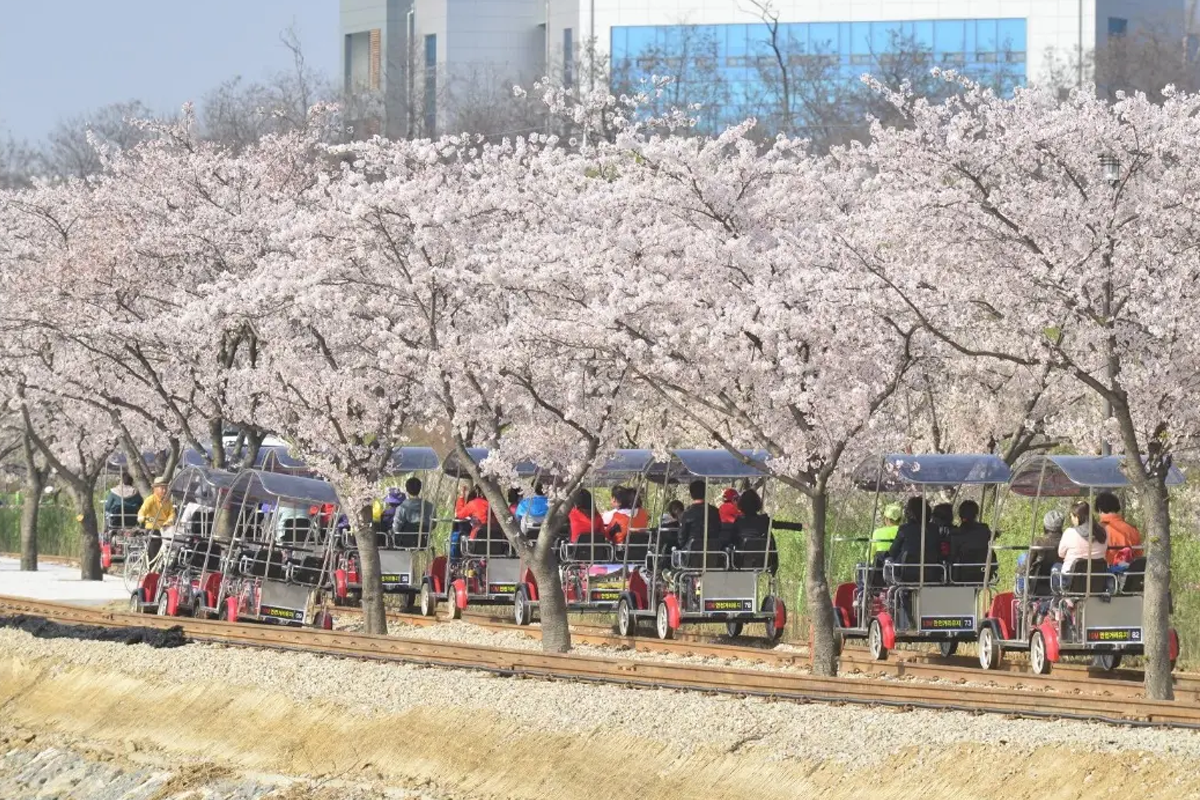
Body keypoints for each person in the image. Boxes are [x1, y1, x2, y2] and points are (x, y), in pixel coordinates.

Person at [886, 496, 943, 578]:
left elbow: (893, 551)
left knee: (885, 558)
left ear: (909, 513)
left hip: (906, 573)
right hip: (931, 573)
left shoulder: (904, 529)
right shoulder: (934, 529)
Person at [1057, 500, 1108, 576]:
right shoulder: (1103, 532)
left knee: (1056, 567)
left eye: (1071, 516)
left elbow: (1061, 553)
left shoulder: (1070, 533)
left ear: (1077, 518)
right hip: (1098, 578)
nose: (1071, 519)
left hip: (1072, 577)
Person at [1095, 492, 1142, 566]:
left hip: (1104, 574)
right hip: (1129, 573)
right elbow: (1138, 556)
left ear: (1099, 509)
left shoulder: (1096, 529)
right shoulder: (1132, 530)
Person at [678, 479, 724, 551]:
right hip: (712, 552)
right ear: (705, 493)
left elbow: (682, 538)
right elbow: (719, 531)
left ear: (691, 494)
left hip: (691, 554)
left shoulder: (687, 513)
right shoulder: (715, 511)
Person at [1026, 509, 1066, 592]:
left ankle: (1022, 590)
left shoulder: (1038, 541)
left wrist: (1020, 570)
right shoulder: (1066, 540)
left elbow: (1026, 565)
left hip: (1038, 581)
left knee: (1022, 558)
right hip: (1060, 580)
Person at [948, 499, 993, 570]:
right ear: (976, 514)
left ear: (960, 515)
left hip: (961, 573)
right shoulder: (984, 529)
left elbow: (952, 556)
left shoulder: (955, 534)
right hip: (983, 571)